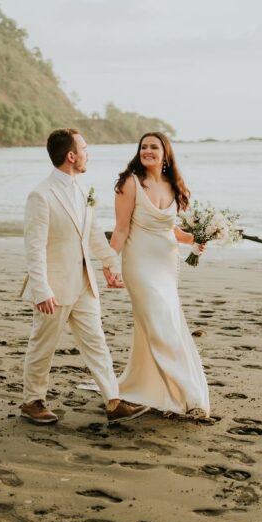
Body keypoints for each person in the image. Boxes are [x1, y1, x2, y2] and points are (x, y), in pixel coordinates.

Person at [19, 128, 150, 425]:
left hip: (84, 284)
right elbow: (34, 248)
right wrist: (41, 289)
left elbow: (92, 234)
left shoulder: (81, 190)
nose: (88, 153)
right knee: (43, 345)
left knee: (97, 343)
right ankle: (32, 400)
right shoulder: (41, 196)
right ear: (71, 156)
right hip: (55, 287)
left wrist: (110, 265)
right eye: (85, 148)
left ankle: (113, 401)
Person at [108, 132, 211, 418]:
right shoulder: (130, 183)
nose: (148, 151)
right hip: (139, 265)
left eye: (154, 147)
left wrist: (193, 240)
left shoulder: (173, 185)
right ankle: (186, 395)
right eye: (144, 147)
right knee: (161, 327)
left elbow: (171, 229)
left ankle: (160, 391)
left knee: (165, 325)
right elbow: (121, 229)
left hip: (167, 266)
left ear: (166, 153)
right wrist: (108, 263)